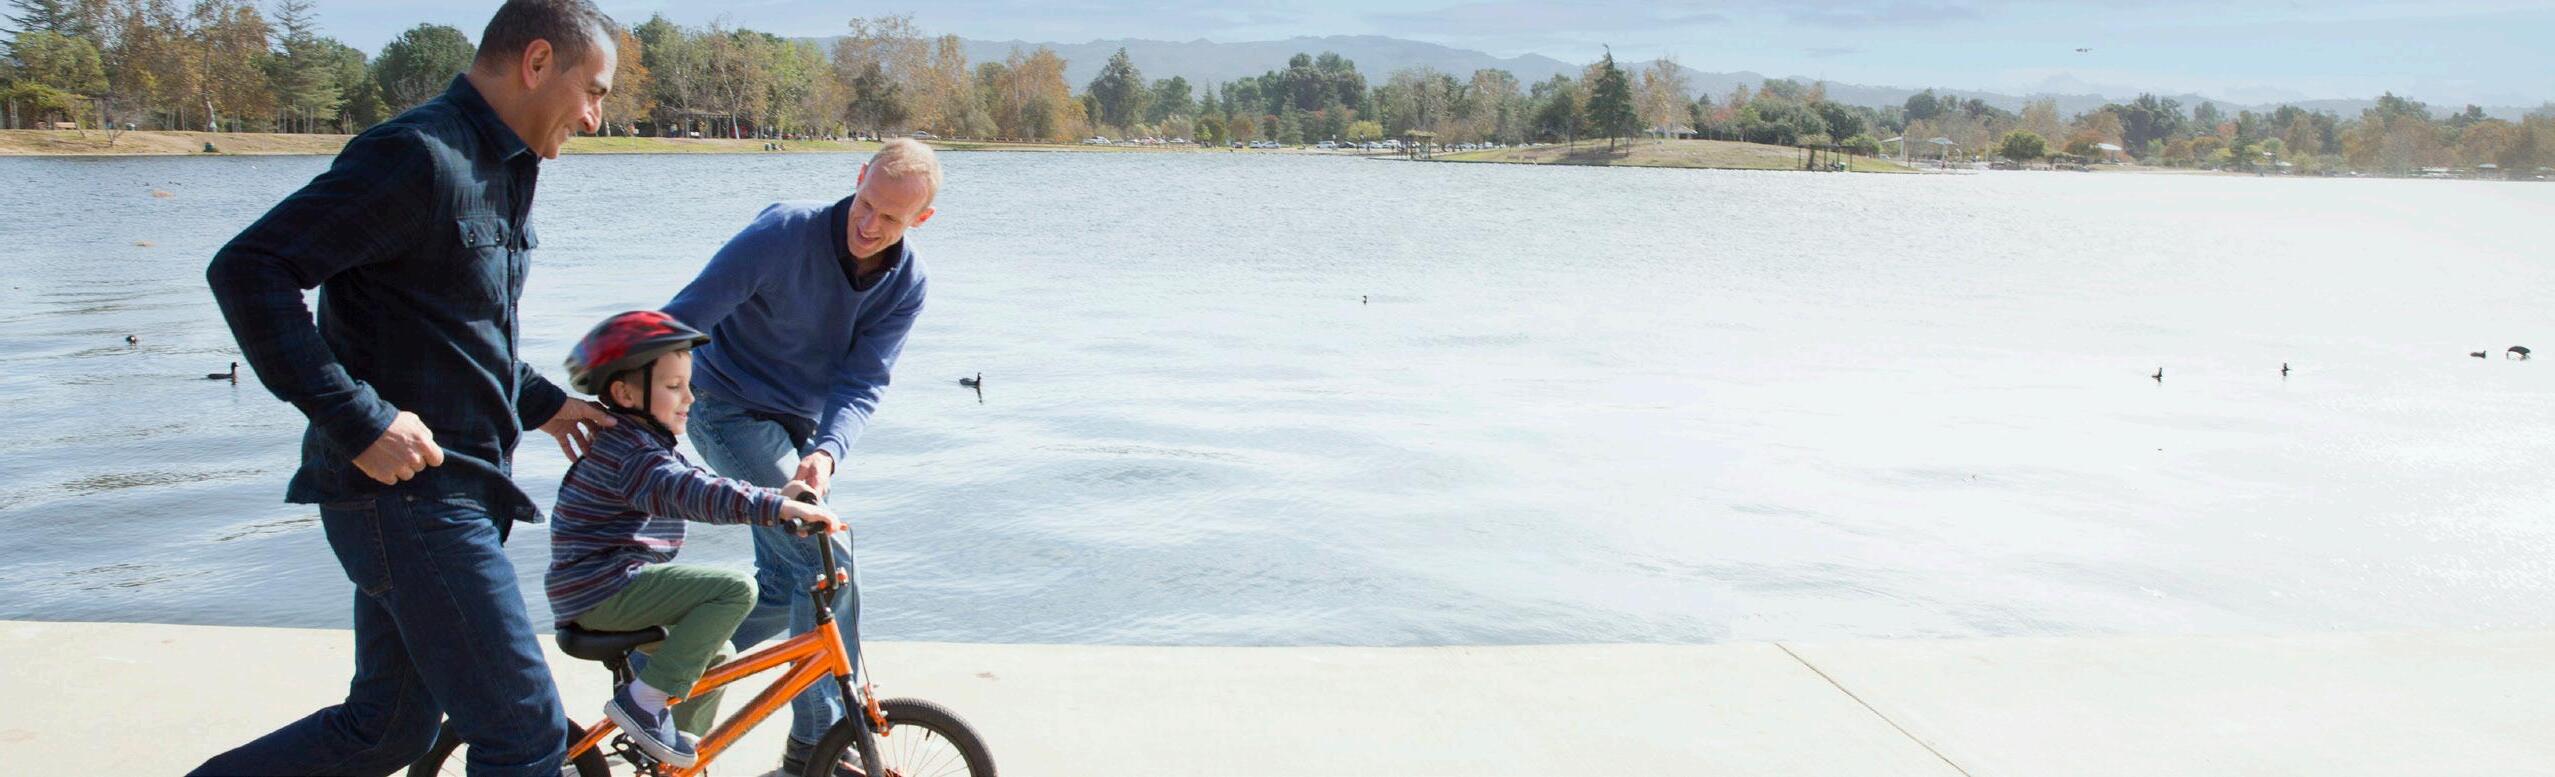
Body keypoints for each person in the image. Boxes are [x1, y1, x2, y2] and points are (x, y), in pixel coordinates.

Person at [191, 2, 622, 774]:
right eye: (593, 91)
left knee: (389, 728)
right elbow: (250, 269)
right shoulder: (416, 155)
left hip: (456, 492)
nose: (595, 117)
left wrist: (546, 404)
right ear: (536, 64)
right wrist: (360, 421)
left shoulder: (504, 167)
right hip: (413, 500)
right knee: (525, 736)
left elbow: (456, 325)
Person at [661, 138, 937, 776]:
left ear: (920, 219)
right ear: (859, 175)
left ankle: (667, 666)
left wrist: (826, 454)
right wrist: (606, 394)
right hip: (723, 405)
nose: (870, 225)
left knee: (788, 582)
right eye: (866, 204)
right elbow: (683, 316)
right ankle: (818, 751)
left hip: (798, 425)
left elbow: (863, 382)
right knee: (824, 557)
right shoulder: (783, 234)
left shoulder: (907, 283)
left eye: (891, 218)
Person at [548, 311, 842, 767]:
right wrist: (779, 509)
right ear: (625, 394)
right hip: (601, 591)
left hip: (599, 588)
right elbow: (695, 493)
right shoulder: (633, 456)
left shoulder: (641, 444)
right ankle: (644, 702)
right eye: (673, 387)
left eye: (689, 385)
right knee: (735, 590)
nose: (689, 398)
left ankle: (670, 757)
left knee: (718, 655)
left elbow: (703, 481)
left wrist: (778, 496)